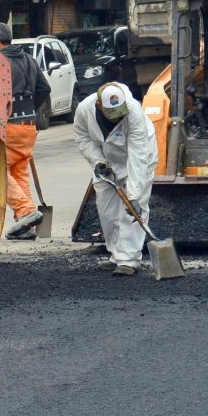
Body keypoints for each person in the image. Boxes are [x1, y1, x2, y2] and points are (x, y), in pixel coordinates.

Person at [73, 82, 157, 276]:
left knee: (131, 212)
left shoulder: (133, 112)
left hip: (137, 158)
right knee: (107, 211)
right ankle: (116, 254)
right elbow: (83, 138)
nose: (118, 117)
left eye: (120, 113)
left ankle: (128, 259)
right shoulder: (84, 109)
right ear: (99, 106)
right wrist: (97, 161)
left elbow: (138, 154)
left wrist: (134, 195)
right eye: (113, 114)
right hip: (107, 161)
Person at [0, 23, 51, 240]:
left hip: (9, 126)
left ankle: (25, 211)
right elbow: (45, 88)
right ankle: (26, 225)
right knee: (18, 172)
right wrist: (30, 109)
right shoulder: (29, 60)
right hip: (29, 126)